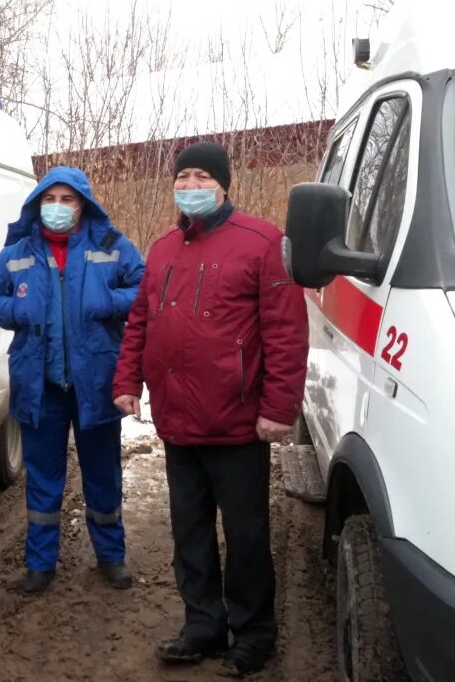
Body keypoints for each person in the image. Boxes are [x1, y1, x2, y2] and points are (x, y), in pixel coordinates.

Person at [112, 142, 308, 677]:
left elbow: (287, 334)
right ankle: (202, 624)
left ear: (224, 185)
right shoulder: (163, 248)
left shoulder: (264, 242)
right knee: (190, 532)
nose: (190, 186)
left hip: (238, 421)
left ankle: (253, 633)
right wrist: (128, 380)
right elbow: (141, 323)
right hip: (178, 420)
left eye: (202, 176)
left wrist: (278, 407)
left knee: (245, 537)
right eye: (184, 177)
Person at [0, 166, 145, 594]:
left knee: (103, 474)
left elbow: (145, 289)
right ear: (38, 203)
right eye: (49, 199)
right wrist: (19, 312)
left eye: (67, 200)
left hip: (96, 381)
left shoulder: (111, 246)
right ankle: (40, 565)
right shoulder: (17, 251)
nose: (58, 208)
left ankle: (111, 557)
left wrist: (109, 300)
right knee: (43, 476)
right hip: (41, 384)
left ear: (83, 204)